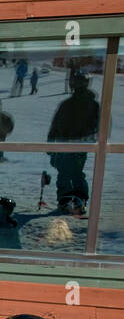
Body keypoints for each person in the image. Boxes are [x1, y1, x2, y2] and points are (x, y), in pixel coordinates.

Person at [47, 71, 100, 215]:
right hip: (66, 143)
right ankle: (68, 199)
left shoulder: (91, 105)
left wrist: (89, 140)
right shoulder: (68, 104)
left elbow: (97, 126)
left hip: (77, 144)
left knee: (72, 172)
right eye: (77, 83)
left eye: (81, 83)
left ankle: (77, 199)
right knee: (66, 172)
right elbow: (56, 125)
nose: (77, 86)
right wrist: (50, 144)